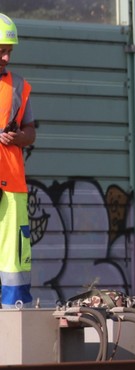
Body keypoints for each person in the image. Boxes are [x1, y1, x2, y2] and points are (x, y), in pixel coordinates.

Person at [0, 14, 36, 309]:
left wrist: (18, 138)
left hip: (12, 185)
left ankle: (15, 312)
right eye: (1, 48)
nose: (6, 55)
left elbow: (30, 130)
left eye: (9, 50)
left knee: (13, 257)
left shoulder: (19, 87)